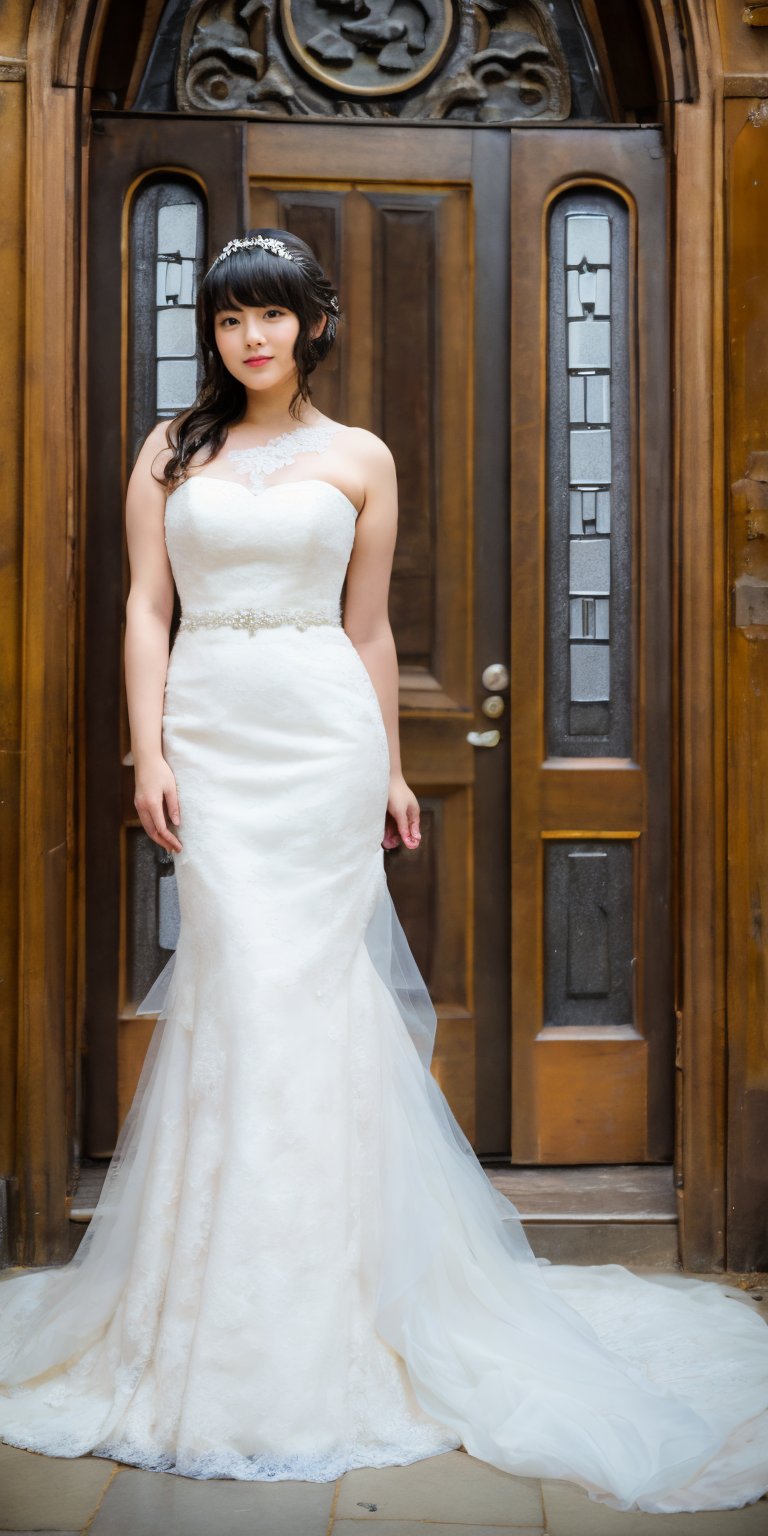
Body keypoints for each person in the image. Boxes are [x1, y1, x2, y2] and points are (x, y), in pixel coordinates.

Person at [0, 228, 766, 1514]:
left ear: (312, 325)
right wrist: (147, 753)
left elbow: (367, 627)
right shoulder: (168, 450)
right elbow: (144, 606)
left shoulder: (361, 458)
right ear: (217, 332)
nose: (253, 338)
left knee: (309, 1002)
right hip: (212, 731)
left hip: (321, 742)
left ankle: (329, 1309)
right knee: (234, 995)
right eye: (233, 317)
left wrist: (396, 773)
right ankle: (204, 1304)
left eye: (275, 316)